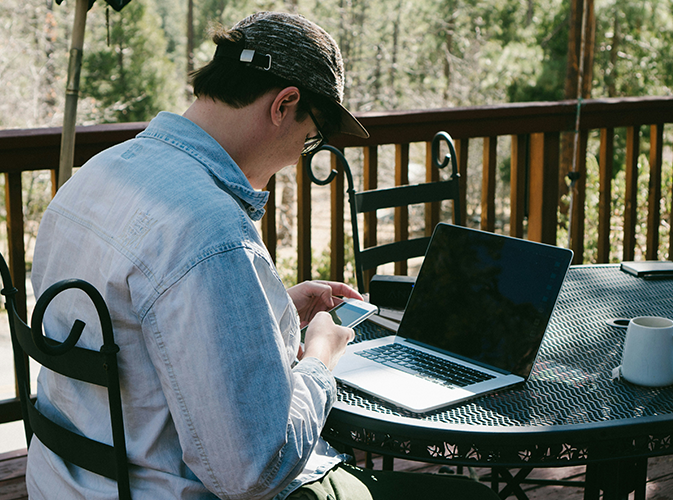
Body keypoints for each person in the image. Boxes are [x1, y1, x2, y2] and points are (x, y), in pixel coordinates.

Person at [26, 11, 500, 500]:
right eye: (312, 135)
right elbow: (254, 470)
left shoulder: (96, 176)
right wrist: (320, 355)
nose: (301, 153)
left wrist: (268, 311)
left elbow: (145, 332)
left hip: (64, 484)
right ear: (285, 104)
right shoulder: (208, 229)